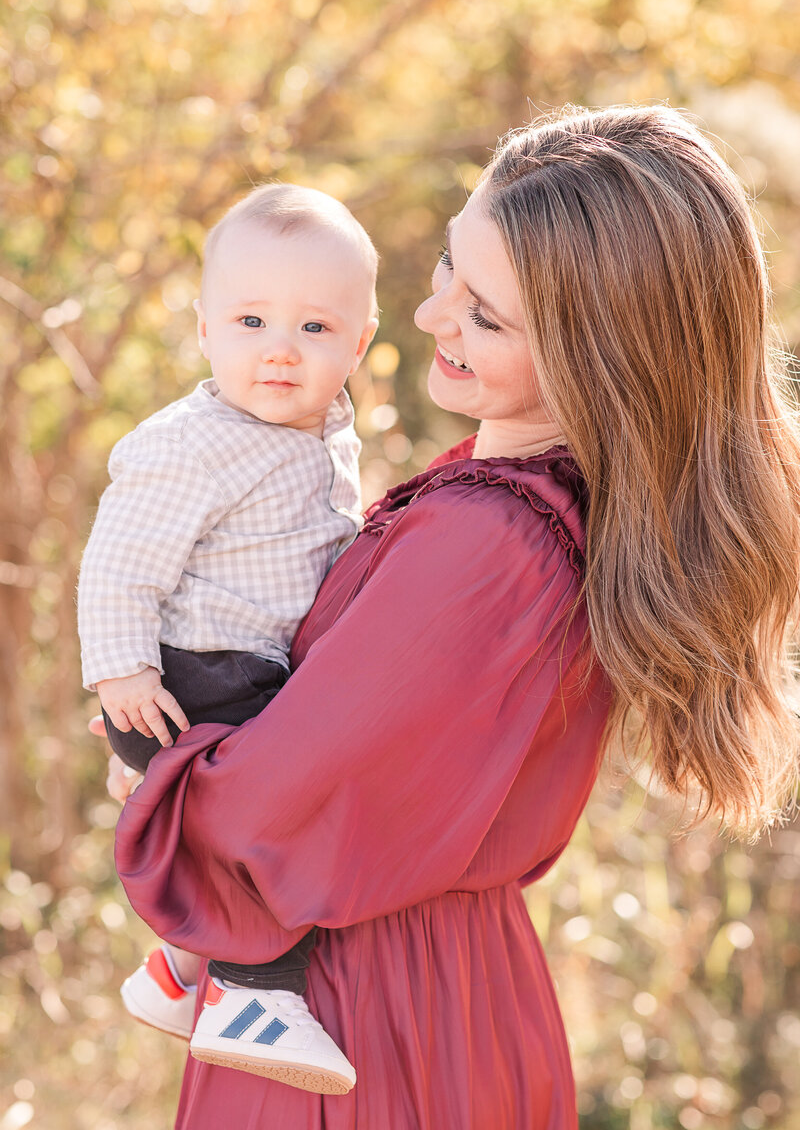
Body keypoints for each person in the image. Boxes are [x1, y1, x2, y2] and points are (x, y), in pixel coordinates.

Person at [102, 105, 800, 1129]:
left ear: (596, 354)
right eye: (445, 270)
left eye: (487, 316)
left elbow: (266, 820)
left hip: (358, 1023)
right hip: (432, 1000)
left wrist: (156, 779)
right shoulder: (539, 495)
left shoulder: (487, 545)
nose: (432, 319)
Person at [78, 182, 379, 1095]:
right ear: (205, 330)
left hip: (246, 667)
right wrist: (120, 673)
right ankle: (251, 994)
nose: (280, 350)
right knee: (281, 819)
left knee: (259, 816)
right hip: (189, 670)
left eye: (315, 330)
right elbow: (120, 560)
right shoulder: (193, 443)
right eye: (250, 321)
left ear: (359, 345)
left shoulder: (321, 429)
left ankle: (175, 972)